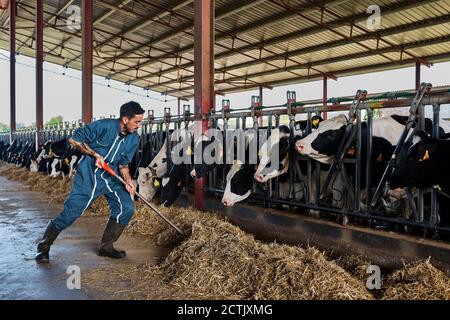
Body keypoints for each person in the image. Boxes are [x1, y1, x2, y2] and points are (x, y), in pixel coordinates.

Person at [35, 101, 145, 262]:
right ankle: (43, 247)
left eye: (141, 122)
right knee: (71, 212)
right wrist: (95, 155)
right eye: (137, 121)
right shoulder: (104, 126)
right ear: (125, 119)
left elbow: (124, 165)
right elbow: (74, 139)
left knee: (126, 208)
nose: (139, 125)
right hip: (89, 175)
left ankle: (106, 247)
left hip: (112, 177)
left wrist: (129, 182)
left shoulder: (134, 139)